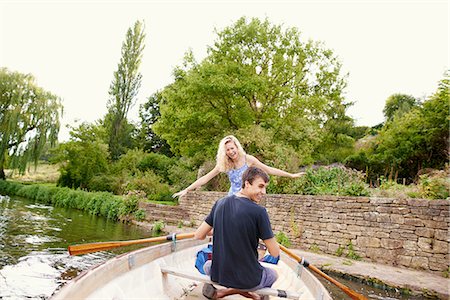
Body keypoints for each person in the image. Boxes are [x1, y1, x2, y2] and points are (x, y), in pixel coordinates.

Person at [194, 167, 280, 299]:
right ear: (246, 183)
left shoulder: (219, 203)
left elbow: (199, 235)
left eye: (265, 188)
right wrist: (268, 238)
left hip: (219, 276)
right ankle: (254, 295)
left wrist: (224, 229)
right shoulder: (259, 212)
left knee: (207, 266)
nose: (264, 192)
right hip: (248, 279)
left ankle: (224, 292)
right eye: (260, 186)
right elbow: (274, 253)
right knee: (273, 274)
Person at [173, 135, 304, 198]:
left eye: (232, 148)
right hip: (233, 197)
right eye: (227, 150)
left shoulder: (248, 160)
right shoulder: (225, 164)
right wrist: (186, 189)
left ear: (236, 147)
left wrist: (291, 175)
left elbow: (268, 169)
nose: (231, 152)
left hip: (247, 196)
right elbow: (205, 179)